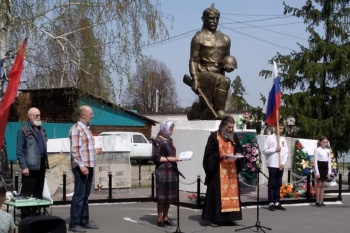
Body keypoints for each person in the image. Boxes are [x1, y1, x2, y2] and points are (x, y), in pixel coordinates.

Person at [185, 6, 236, 120]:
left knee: (222, 80)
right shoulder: (198, 38)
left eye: (217, 19)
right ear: (203, 19)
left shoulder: (225, 39)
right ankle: (219, 110)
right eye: (212, 18)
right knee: (224, 80)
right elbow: (193, 60)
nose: (215, 21)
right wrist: (195, 79)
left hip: (218, 74)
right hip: (203, 73)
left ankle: (200, 111)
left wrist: (229, 66)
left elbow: (226, 58)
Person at [201, 116, 243, 226]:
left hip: (231, 172)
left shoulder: (233, 137)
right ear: (223, 126)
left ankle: (229, 218)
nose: (231, 130)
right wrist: (219, 156)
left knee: (231, 194)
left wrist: (238, 155)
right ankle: (216, 218)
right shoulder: (214, 137)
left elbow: (239, 148)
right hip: (218, 171)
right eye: (229, 127)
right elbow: (208, 155)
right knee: (217, 195)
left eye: (232, 127)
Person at [68, 106, 102, 233]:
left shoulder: (86, 128)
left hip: (89, 164)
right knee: (79, 195)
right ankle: (74, 223)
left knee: (85, 195)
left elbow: (84, 148)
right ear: (83, 115)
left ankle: (84, 220)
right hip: (82, 166)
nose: (92, 115)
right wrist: (81, 166)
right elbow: (74, 150)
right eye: (90, 114)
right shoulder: (77, 129)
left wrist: (95, 150)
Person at [16, 107, 49, 218]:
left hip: (41, 164)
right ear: (29, 116)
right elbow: (20, 150)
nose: (38, 117)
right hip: (30, 166)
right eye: (36, 115)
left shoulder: (42, 130)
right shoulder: (24, 130)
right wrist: (24, 166)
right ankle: (25, 218)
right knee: (26, 194)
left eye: (39, 115)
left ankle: (36, 216)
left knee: (38, 192)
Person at [151, 120, 180, 227]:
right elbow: (156, 157)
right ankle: (159, 218)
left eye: (172, 129)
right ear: (164, 128)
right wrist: (170, 158)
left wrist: (176, 159)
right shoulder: (157, 140)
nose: (172, 131)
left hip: (172, 170)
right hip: (163, 171)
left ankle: (166, 217)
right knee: (162, 197)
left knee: (169, 196)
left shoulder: (170, 139)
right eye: (170, 129)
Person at [263, 120, 289, 211]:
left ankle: (277, 201)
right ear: (275, 127)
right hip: (272, 164)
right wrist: (274, 149)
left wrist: (283, 163)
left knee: (278, 183)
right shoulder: (270, 138)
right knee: (272, 183)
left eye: (282, 128)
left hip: (280, 164)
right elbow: (265, 150)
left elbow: (286, 153)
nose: (281, 130)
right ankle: (271, 202)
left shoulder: (283, 139)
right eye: (280, 128)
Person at [314, 136, 331, 207]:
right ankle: (317, 201)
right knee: (319, 185)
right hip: (320, 166)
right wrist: (317, 172)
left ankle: (322, 201)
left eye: (326, 142)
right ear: (320, 142)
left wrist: (329, 172)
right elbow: (315, 162)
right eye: (324, 142)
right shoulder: (317, 150)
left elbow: (329, 161)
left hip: (325, 167)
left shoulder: (328, 150)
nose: (325, 144)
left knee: (323, 185)